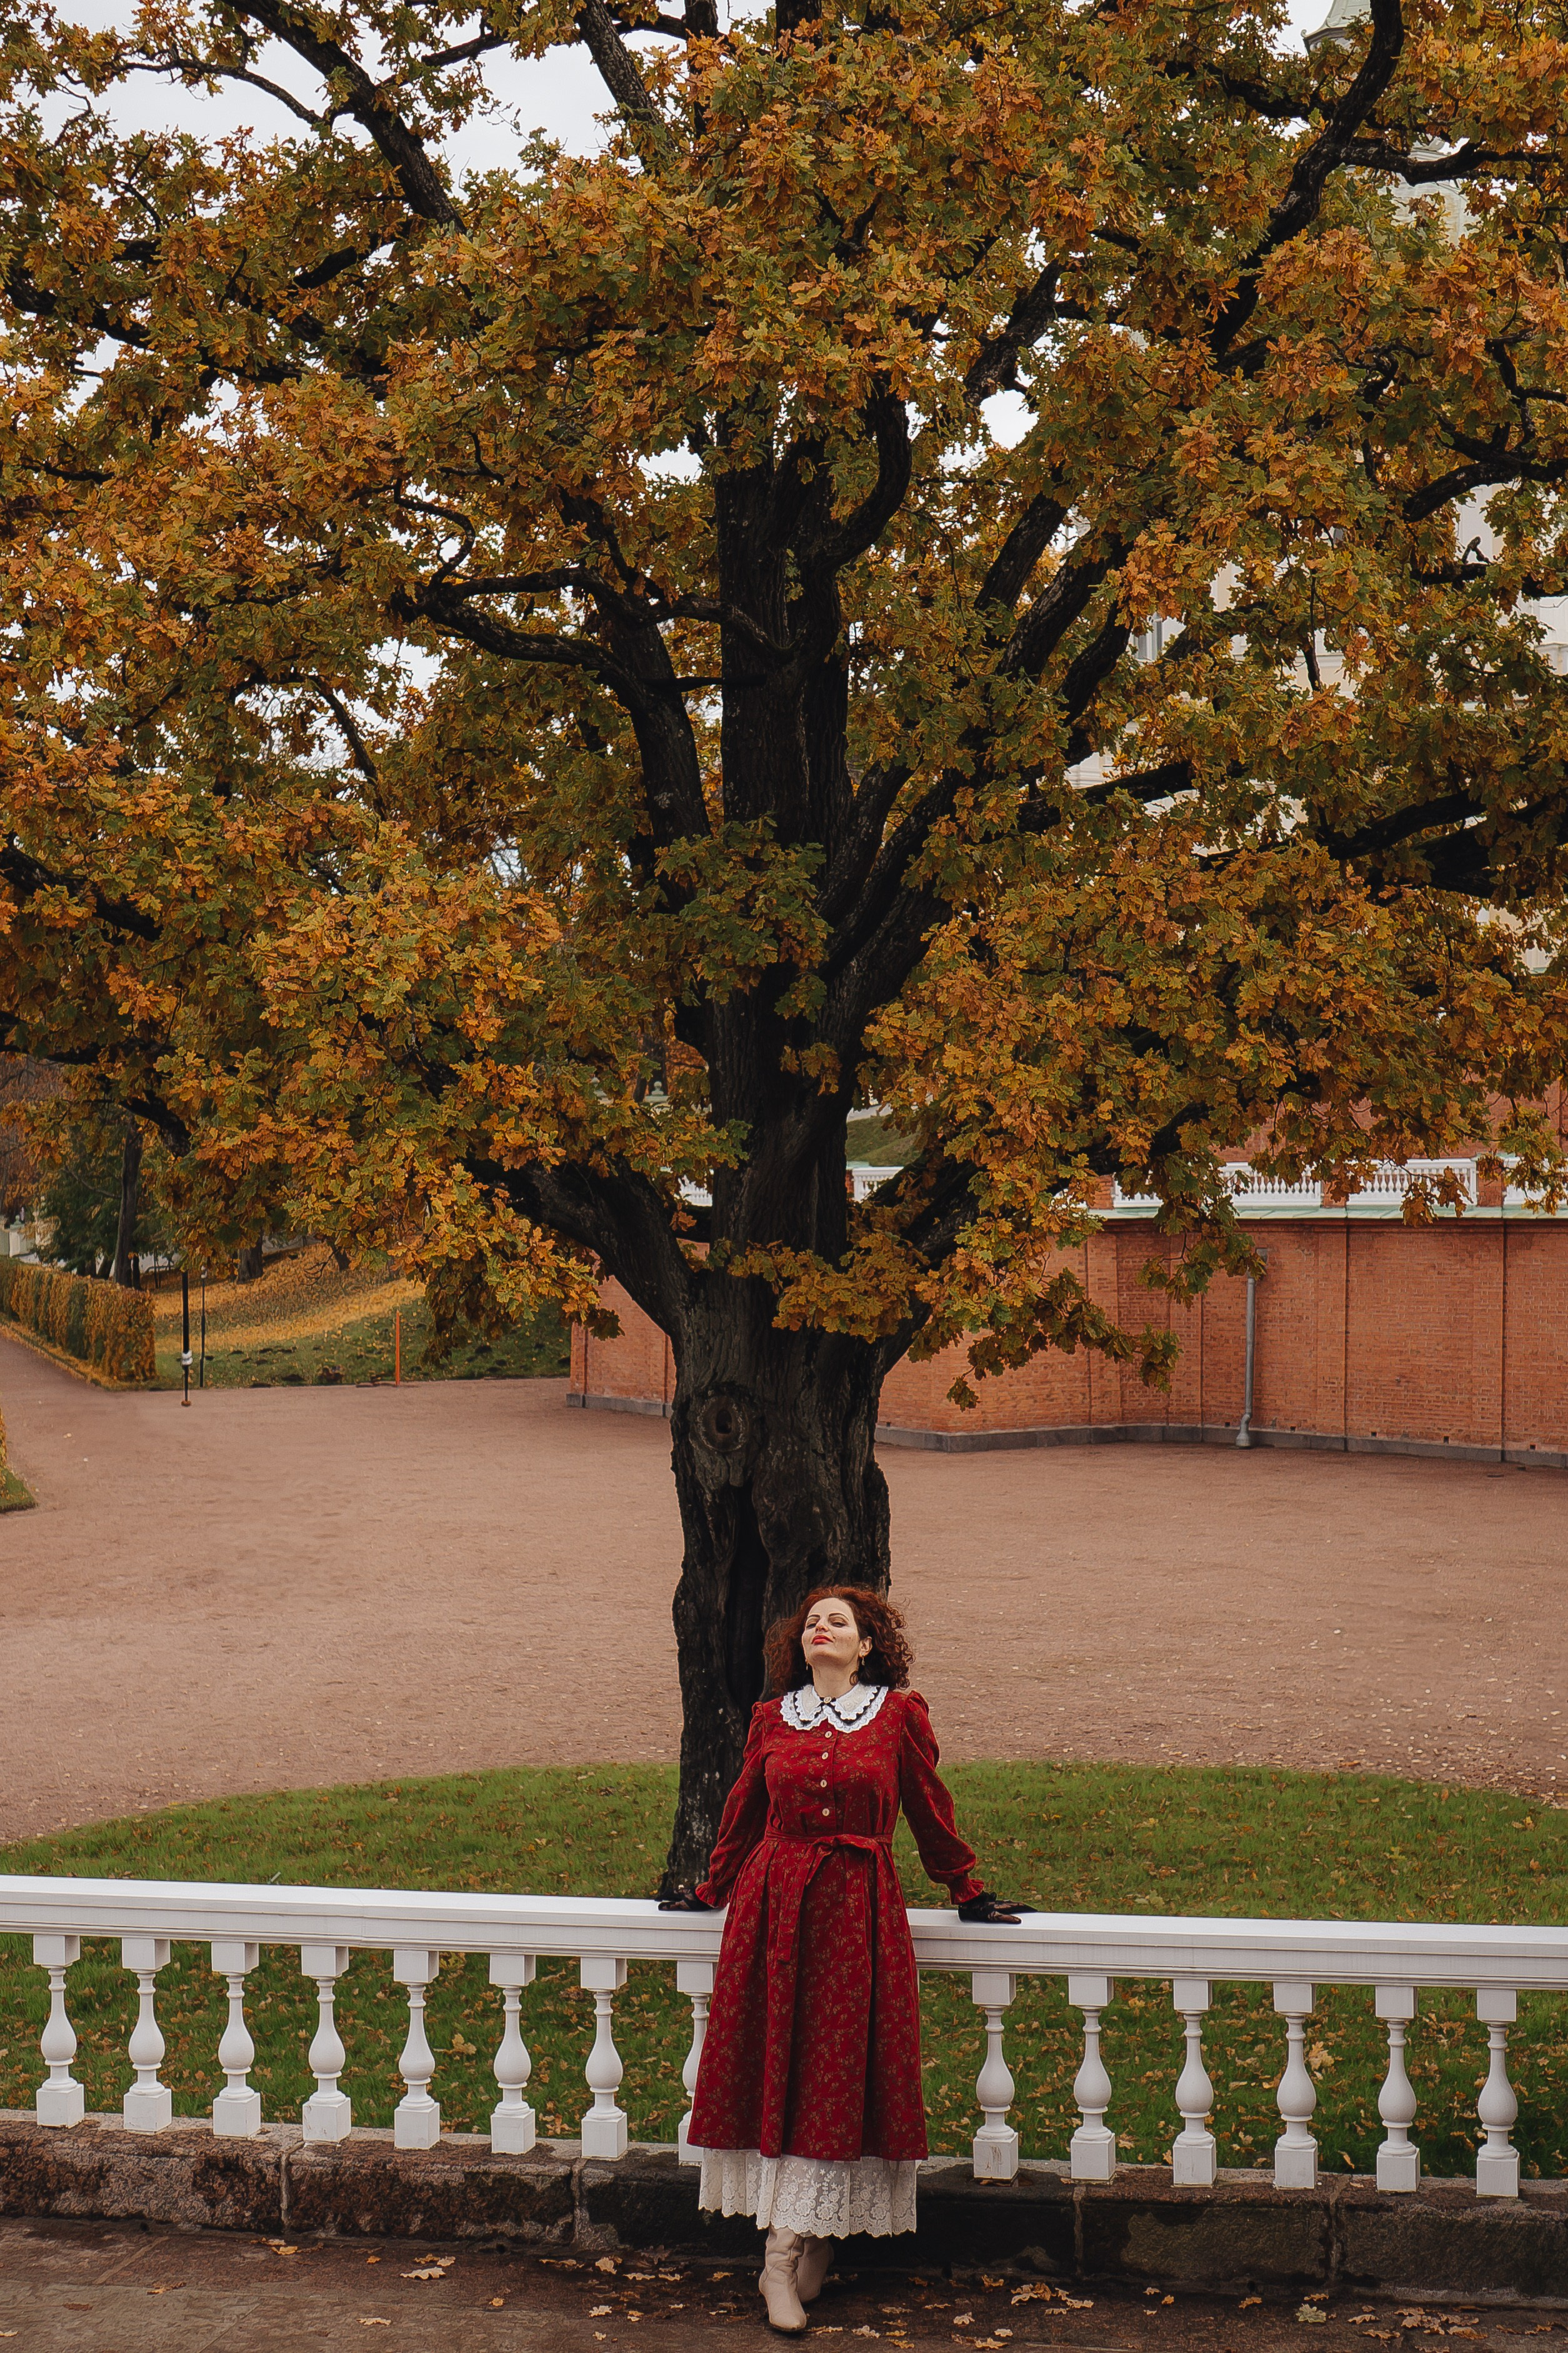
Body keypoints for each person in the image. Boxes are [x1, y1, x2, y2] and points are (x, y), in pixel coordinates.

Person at [659, 1585, 1026, 2335]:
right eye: (812, 1621)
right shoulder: (772, 1718)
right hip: (774, 1906)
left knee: (837, 2071)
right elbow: (742, 1809)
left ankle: (801, 2243)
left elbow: (929, 1805)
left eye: (841, 1621)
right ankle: (783, 2256)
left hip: (857, 1911)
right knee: (783, 2067)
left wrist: (967, 1887)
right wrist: (711, 1886)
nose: (821, 1626)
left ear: (867, 1646)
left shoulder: (895, 1715)